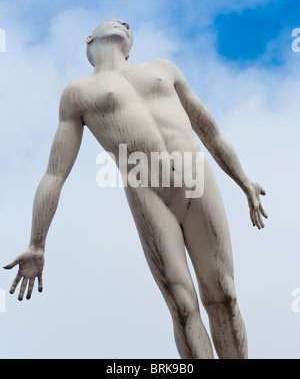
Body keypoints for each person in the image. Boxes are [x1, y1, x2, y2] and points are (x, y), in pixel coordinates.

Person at [4, 18, 268, 359]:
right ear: (90, 38)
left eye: (129, 25)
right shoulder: (78, 93)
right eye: (115, 22)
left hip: (196, 176)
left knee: (224, 294)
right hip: (146, 191)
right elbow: (55, 174)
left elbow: (209, 130)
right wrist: (37, 242)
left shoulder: (162, 68)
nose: (125, 23)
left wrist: (243, 180)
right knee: (183, 305)